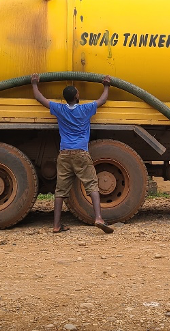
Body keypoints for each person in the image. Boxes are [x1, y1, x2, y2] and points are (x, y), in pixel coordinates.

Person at [30, 73, 114, 234]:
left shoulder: (59, 109)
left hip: (64, 153)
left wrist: (34, 84)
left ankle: (56, 226)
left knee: (60, 191)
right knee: (92, 185)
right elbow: (102, 100)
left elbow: (40, 99)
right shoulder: (85, 109)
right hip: (81, 152)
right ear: (77, 96)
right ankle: (98, 218)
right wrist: (106, 85)